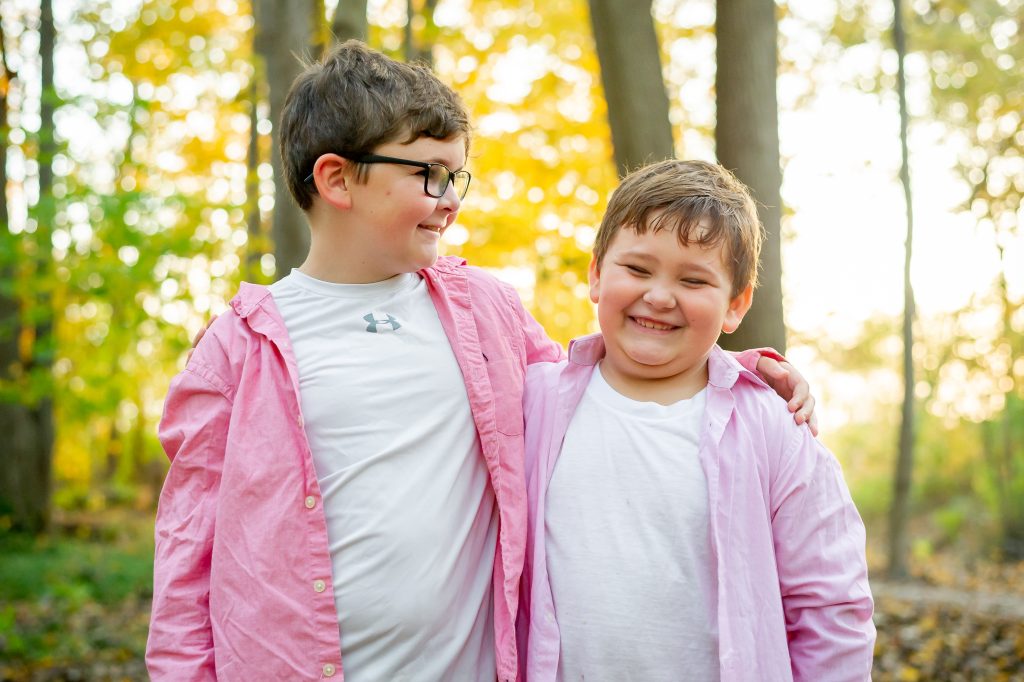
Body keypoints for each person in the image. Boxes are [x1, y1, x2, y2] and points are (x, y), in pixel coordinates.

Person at [147, 41, 818, 681]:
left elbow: (592, 396)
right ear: (336, 178)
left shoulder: (487, 312)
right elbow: (186, 560)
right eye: (429, 174)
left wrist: (731, 372)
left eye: (456, 175)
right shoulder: (237, 351)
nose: (452, 197)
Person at [519, 159, 875, 682]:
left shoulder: (775, 430)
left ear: (735, 305)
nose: (659, 296)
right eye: (637, 270)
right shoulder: (533, 403)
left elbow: (830, 603)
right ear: (596, 274)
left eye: (693, 280)